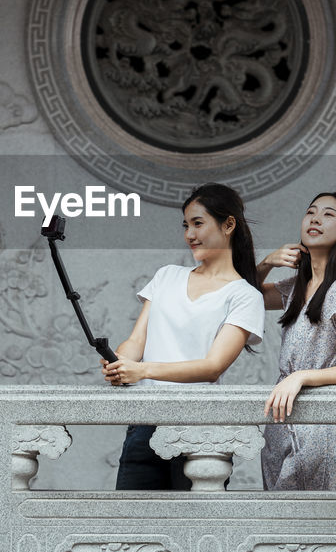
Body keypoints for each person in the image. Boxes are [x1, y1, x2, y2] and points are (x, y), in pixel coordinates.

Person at [103, 183, 265, 490]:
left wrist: (143, 371)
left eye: (198, 223)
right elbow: (137, 341)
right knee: (132, 529)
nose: (190, 234)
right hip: (144, 423)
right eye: (186, 225)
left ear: (228, 224)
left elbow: (213, 366)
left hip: (201, 431)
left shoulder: (245, 296)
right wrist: (119, 362)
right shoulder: (167, 276)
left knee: (194, 531)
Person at [256, 191, 336, 490]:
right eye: (311, 212)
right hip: (283, 423)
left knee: (318, 531)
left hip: (320, 428)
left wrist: (301, 377)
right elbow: (245, 297)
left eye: (328, 214)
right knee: (279, 530)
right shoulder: (298, 285)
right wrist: (267, 262)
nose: (315, 218)